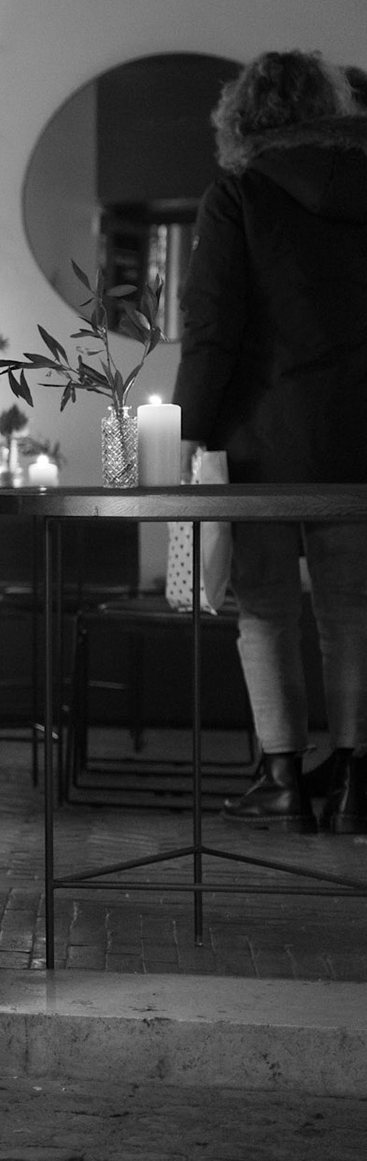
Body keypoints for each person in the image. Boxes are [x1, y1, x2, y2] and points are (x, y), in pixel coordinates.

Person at [174, 50, 367, 834]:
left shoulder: (240, 192)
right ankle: (354, 783)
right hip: (357, 438)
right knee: (354, 609)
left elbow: (212, 327)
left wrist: (187, 431)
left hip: (258, 439)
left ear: (244, 115)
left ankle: (283, 780)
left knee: (264, 607)